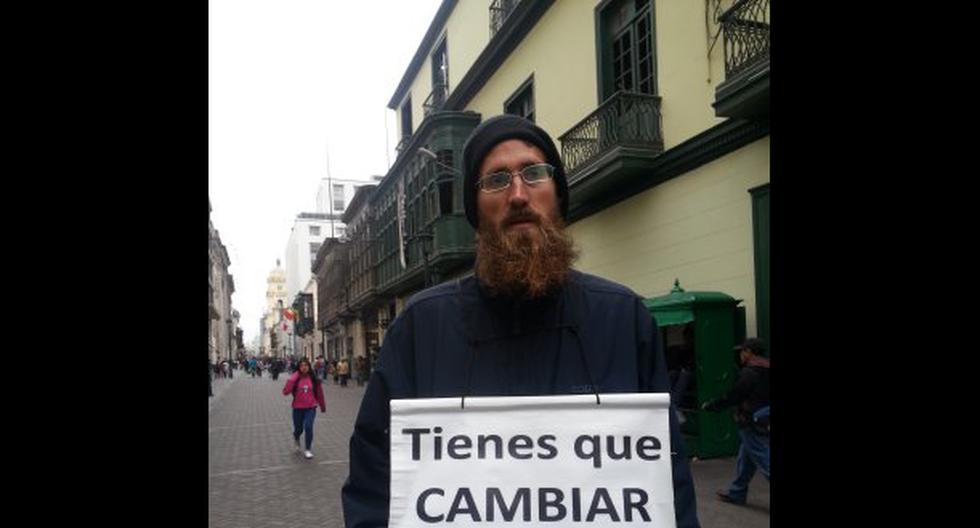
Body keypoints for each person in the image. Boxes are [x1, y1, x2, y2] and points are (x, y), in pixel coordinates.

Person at [341, 114, 700, 528]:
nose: (517, 194)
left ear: (557, 194)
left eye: (533, 173)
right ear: (476, 208)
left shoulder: (623, 318)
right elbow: (373, 487)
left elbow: (668, 484)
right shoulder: (420, 329)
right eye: (496, 179)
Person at [701, 337, 770, 506]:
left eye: (742, 351)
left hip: (751, 422)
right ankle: (737, 492)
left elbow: (734, 396)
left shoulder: (749, 373)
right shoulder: (767, 368)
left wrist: (712, 405)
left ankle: (737, 493)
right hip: (764, 419)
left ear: (749, 352)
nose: (740, 354)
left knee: (764, 460)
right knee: (745, 459)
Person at [282, 357, 326, 460]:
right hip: (297, 408)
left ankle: (308, 449)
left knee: (308, 427)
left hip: (310, 408)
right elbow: (285, 392)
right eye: (301, 365)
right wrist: (293, 377)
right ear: (299, 367)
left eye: (306, 365)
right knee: (298, 429)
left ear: (309, 367)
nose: (304, 367)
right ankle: (296, 438)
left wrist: (323, 406)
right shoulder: (295, 379)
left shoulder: (314, 380)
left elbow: (320, 394)